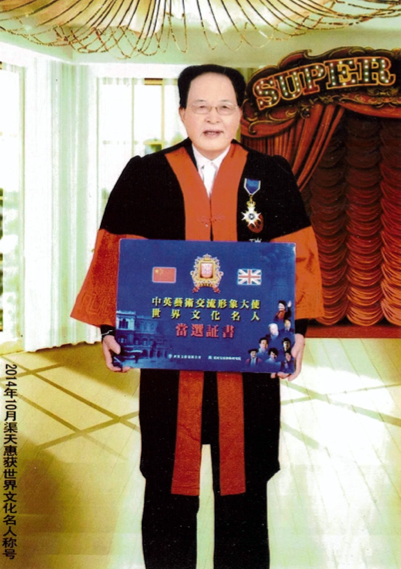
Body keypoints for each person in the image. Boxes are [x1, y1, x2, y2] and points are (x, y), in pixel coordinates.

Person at [71, 64, 324, 569]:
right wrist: (109, 328)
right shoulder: (146, 175)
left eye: (224, 107)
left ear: (240, 115)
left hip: (248, 366)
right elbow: (115, 255)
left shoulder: (271, 176)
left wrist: (296, 332)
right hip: (171, 365)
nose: (213, 117)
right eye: (201, 107)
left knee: (244, 491)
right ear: (182, 112)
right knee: (169, 486)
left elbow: (298, 257)